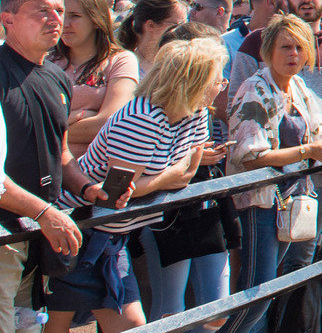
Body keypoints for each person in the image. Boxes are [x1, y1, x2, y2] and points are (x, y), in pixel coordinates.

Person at [50, 38, 227, 333]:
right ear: (194, 81)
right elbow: (117, 192)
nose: (223, 83)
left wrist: (163, 178)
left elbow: (189, 170)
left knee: (61, 319)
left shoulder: (195, 113)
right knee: (128, 324)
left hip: (112, 232)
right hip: (85, 228)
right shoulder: (141, 119)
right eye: (216, 78)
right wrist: (167, 177)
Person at [0, 0, 88, 333]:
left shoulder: (58, 77)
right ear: (8, 19)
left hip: (38, 234)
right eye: (42, 11)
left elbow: (58, 153)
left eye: (60, 10)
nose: (56, 19)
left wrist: (89, 187)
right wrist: (43, 212)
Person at [222, 15, 322, 333]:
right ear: (266, 51)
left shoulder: (300, 87)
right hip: (262, 203)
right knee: (256, 295)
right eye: (285, 47)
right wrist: (309, 152)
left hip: (294, 201)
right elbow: (249, 157)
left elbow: (314, 137)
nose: (293, 54)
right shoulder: (253, 89)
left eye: (300, 48)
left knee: (273, 288)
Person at [54, 0, 142, 154]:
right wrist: (84, 116)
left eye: (75, 16)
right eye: (61, 14)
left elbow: (111, 124)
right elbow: (29, 126)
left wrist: (52, 129)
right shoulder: (47, 60)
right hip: (49, 168)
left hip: (94, 170)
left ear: (96, 19)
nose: (65, 23)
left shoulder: (121, 61)